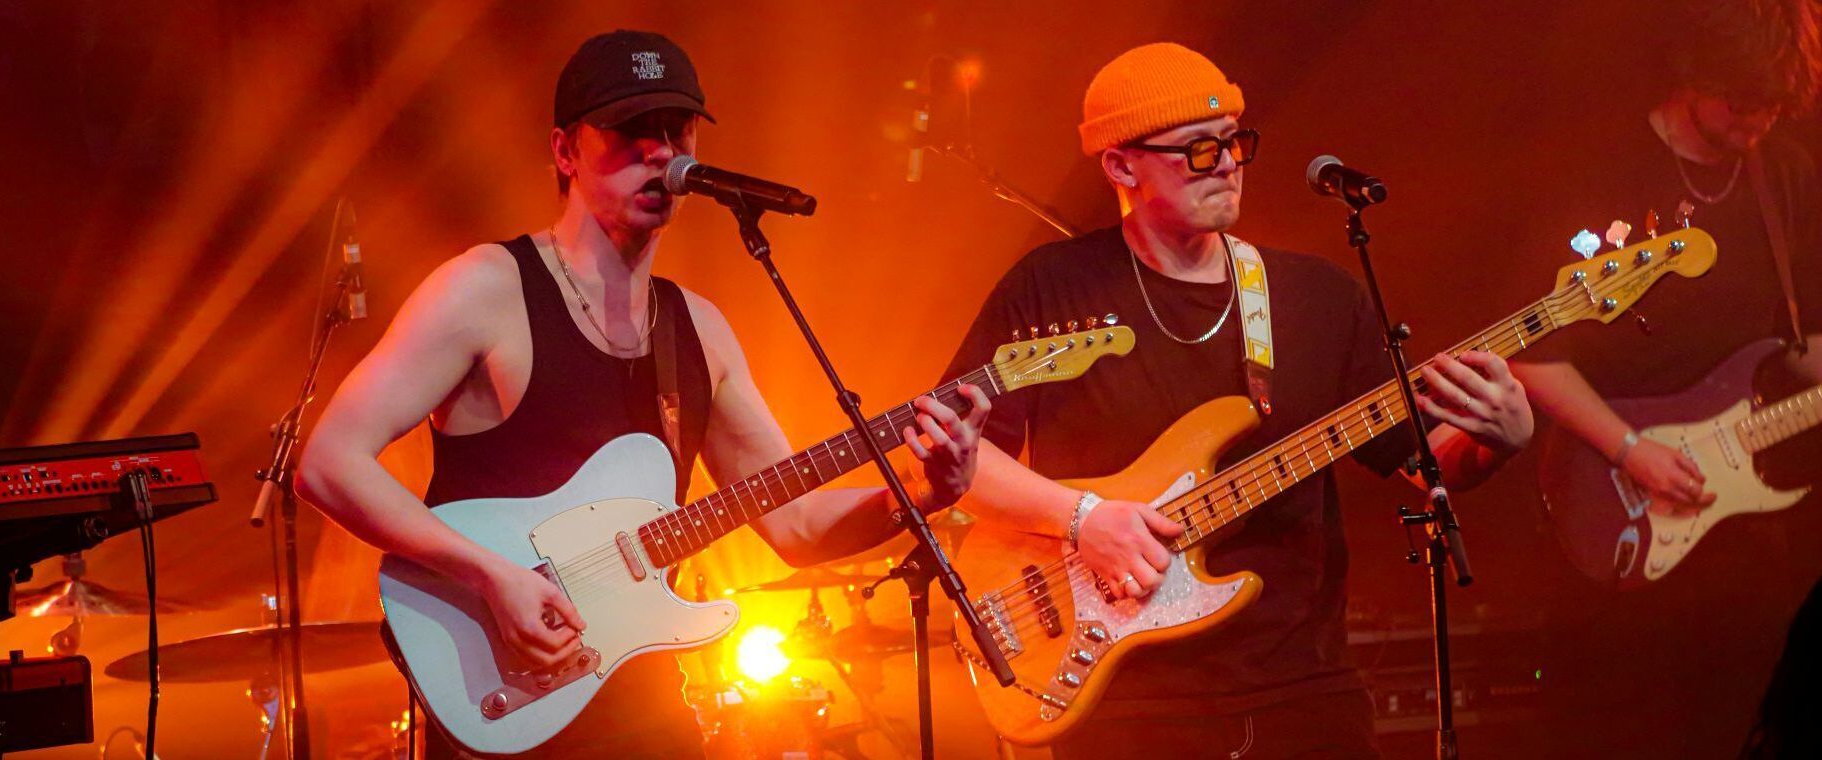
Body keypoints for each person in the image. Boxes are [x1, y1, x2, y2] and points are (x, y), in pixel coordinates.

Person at [294, 30, 989, 758]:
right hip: (507, 693)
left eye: (676, 128)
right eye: (631, 133)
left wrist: (920, 491)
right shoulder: (485, 290)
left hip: (647, 711)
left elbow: (798, 527)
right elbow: (329, 462)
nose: (660, 151)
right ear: (564, 151)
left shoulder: (700, 330)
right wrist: (494, 578)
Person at [941, 42, 1533, 759]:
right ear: (1121, 166)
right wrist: (1085, 519)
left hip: (1304, 689)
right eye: (1195, 149)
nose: (1224, 163)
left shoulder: (1317, 297)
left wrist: (1500, 438)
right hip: (1129, 699)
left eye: (1232, 143)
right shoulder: (1052, 286)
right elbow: (955, 462)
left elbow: (1432, 464)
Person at [1509, 1, 1822, 756]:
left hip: (1746, 521)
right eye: (1741, 102)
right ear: (1695, 75)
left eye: (1775, 105)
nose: (1757, 121)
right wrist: (1631, 452)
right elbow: (1530, 353)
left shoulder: (1785, 174)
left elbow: (1802, 338)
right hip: (1614, 504)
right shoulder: (1598, 168)